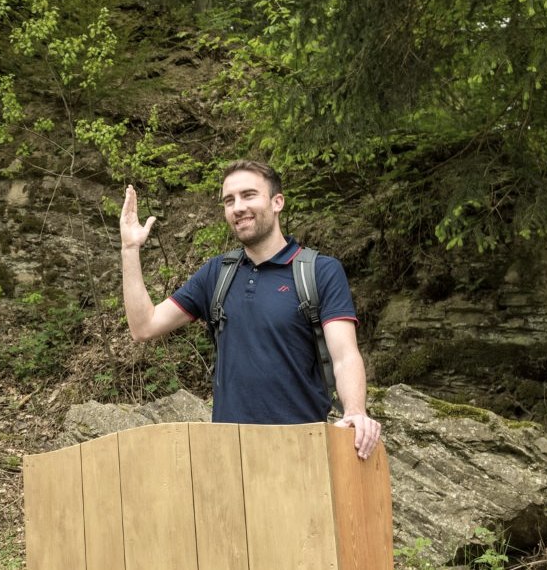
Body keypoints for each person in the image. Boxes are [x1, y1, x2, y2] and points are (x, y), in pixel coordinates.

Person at [119, 160, 382, 460]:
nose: (237, 207)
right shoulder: (217, 273)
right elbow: (144, 326)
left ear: (277, 202)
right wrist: (130, 249)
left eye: (248, 195)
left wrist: (355, 412)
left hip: (302, 453)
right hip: (230, 456)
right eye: (229, 200)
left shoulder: (320, 271)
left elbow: (345, 355)